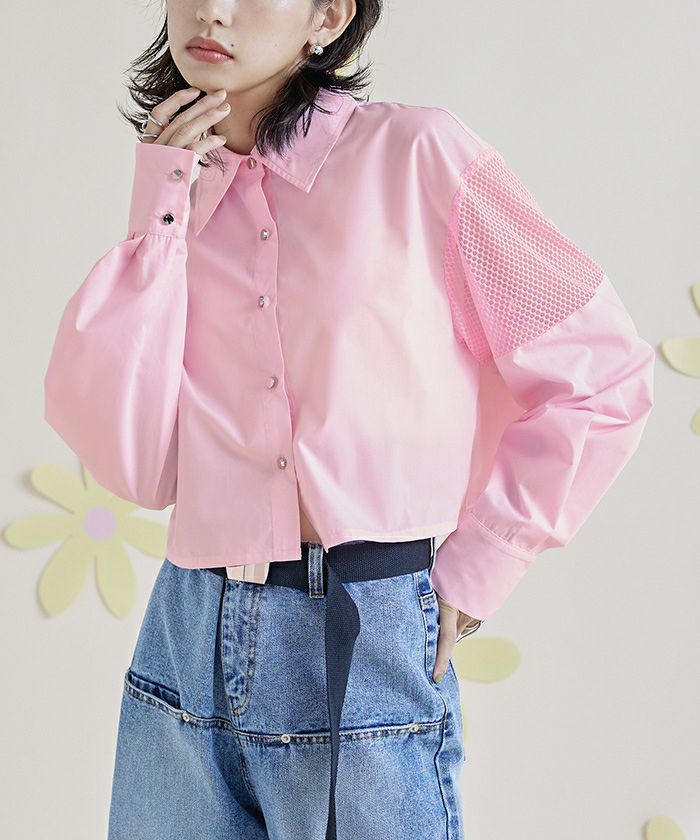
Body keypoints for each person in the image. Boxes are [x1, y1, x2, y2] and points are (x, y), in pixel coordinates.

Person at [42, 1, 655, 838]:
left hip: (363, 632)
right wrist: (159, 212)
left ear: (327, 15)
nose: (212, 11)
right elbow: (136, 467)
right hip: (185, 632)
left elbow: (603, 371)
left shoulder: (417, 155)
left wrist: (479, 570)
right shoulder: (182, 194)